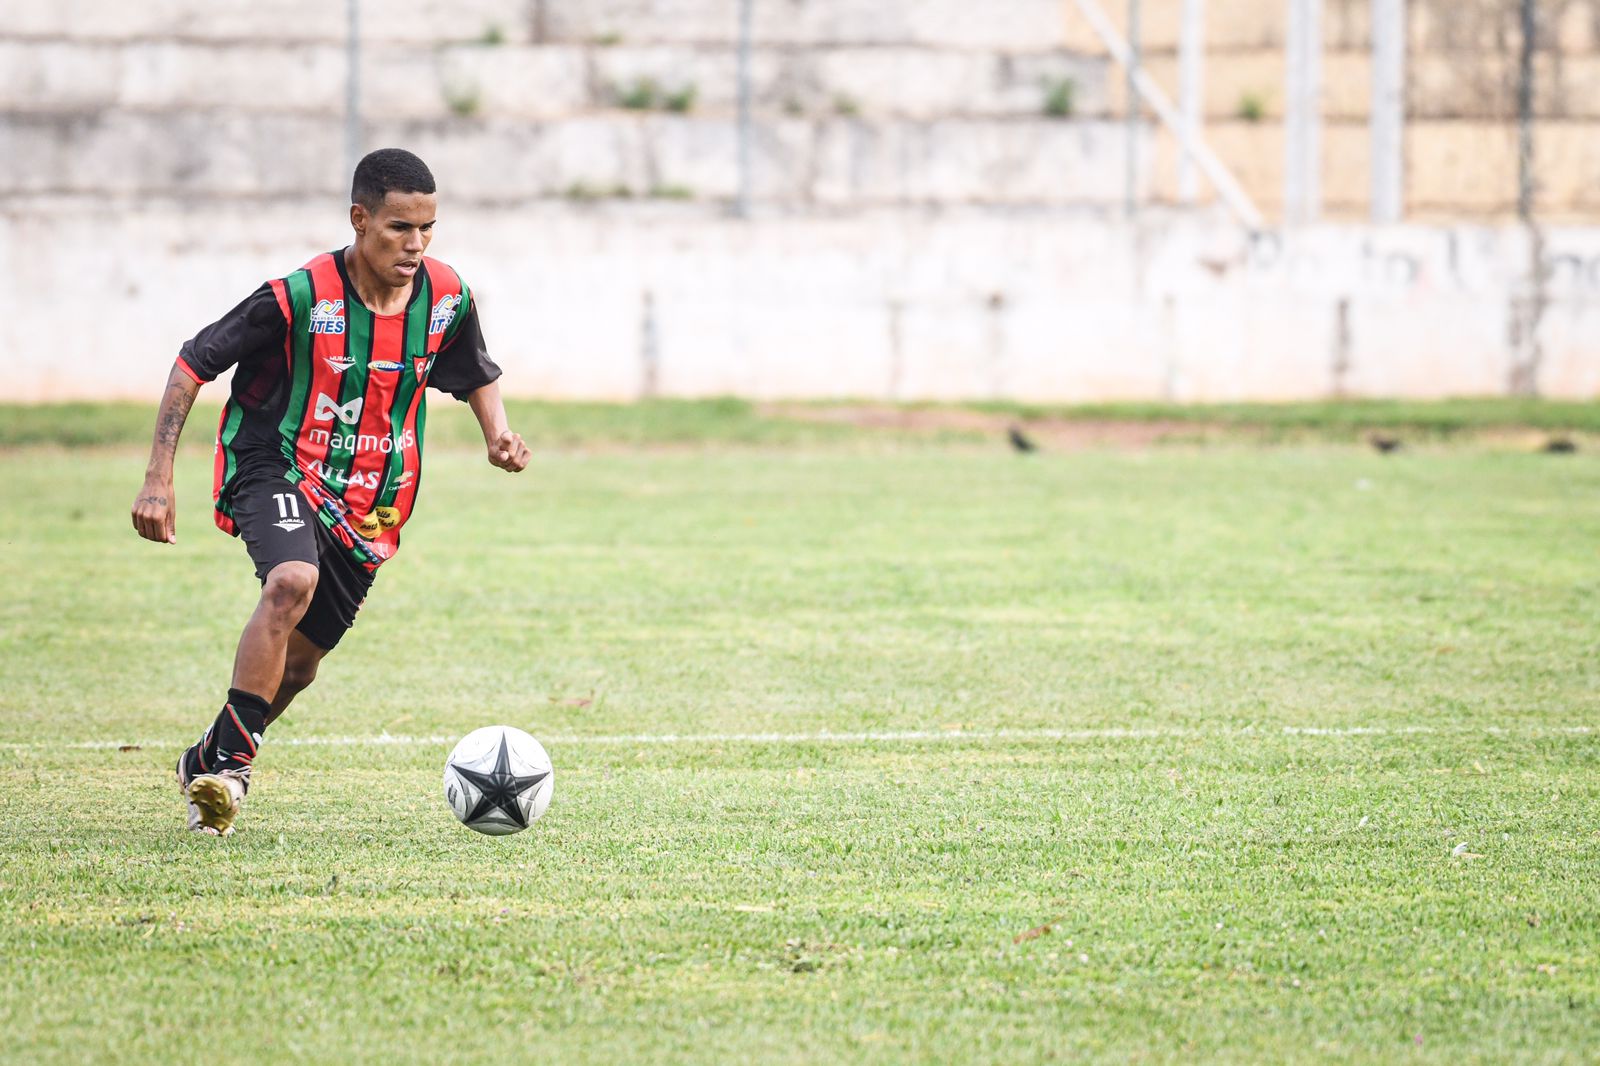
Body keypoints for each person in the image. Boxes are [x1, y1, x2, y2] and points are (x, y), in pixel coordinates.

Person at [131, 148, 531, 836]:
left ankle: (206, 755)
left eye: (427, 229)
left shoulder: (446, 296)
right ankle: (229, 773)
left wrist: (497, 432)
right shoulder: (299, 296)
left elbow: (473, 368)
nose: (415, 245)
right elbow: (194, 362)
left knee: (301, 668)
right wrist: (159, 477)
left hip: (371, 499)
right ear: (359, 219)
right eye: (398, 228)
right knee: (290, 580)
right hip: (275, 463)